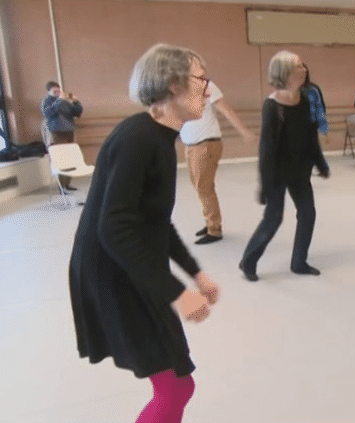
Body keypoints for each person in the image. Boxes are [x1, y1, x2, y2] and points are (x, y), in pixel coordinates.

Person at [68, 44, 220, 422]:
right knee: (174, 386)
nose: (208, 89)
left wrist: (195, 273)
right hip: (113, 274)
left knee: (178, 385)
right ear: (171, 83)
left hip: (133, 270)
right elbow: (114, 226)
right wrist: (178, 293)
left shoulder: (160, 138)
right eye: (202, 79)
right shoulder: (138, 138)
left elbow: (154, 220)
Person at [239, 51, 330, 282]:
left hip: (300, 171)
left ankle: (299, 262)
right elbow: (266, 149)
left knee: (308, 214)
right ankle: (248, 260)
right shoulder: (273, 106)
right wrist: (264, 185)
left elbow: (311, 137)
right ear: (286, 74)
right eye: (299, 66)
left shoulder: (306, 100)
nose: (304, 70)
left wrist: (320, 163)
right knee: (273, 218)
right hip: (278, 173)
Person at [179, 81, 254, 244]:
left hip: (206, 144)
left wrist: (244, 131)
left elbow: (226, 110)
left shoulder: (206, 86)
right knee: (200, 186)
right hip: (191, 145)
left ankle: (214, 229)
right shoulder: (179, 89)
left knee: (204, 187)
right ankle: (210, 223)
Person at [41, 80, 83, 190]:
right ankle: (61, 185)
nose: (57, 93)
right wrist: (58, 100)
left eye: (58, 90)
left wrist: (76, 102)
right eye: (54, 91)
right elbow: (48, 114)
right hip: (57, 133)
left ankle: (67, 183)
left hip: (69, 131)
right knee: (61, 159)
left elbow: (77, 113)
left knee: (70, 159)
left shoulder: (64, 102)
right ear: (48, 91)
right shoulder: (47, 101)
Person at [301, 63, 329, 142]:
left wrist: (324, 131)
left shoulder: (313, 89)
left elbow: (320, 110)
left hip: (311, 127)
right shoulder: (290, 90)